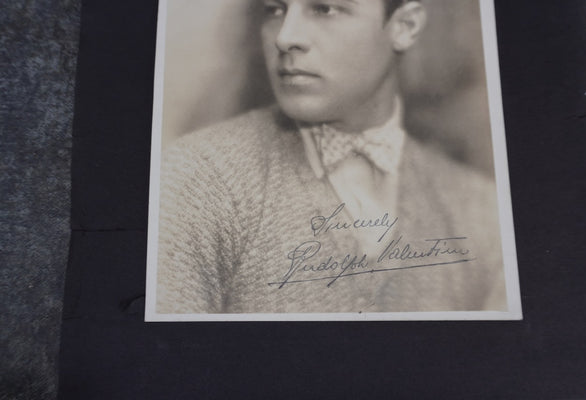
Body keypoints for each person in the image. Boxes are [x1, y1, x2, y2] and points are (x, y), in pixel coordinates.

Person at [156, 0, 507, 314]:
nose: (285, 37)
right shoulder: (197, 178)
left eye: (324, 9)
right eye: (275, 10)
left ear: (405, 27)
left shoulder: (480, 212)